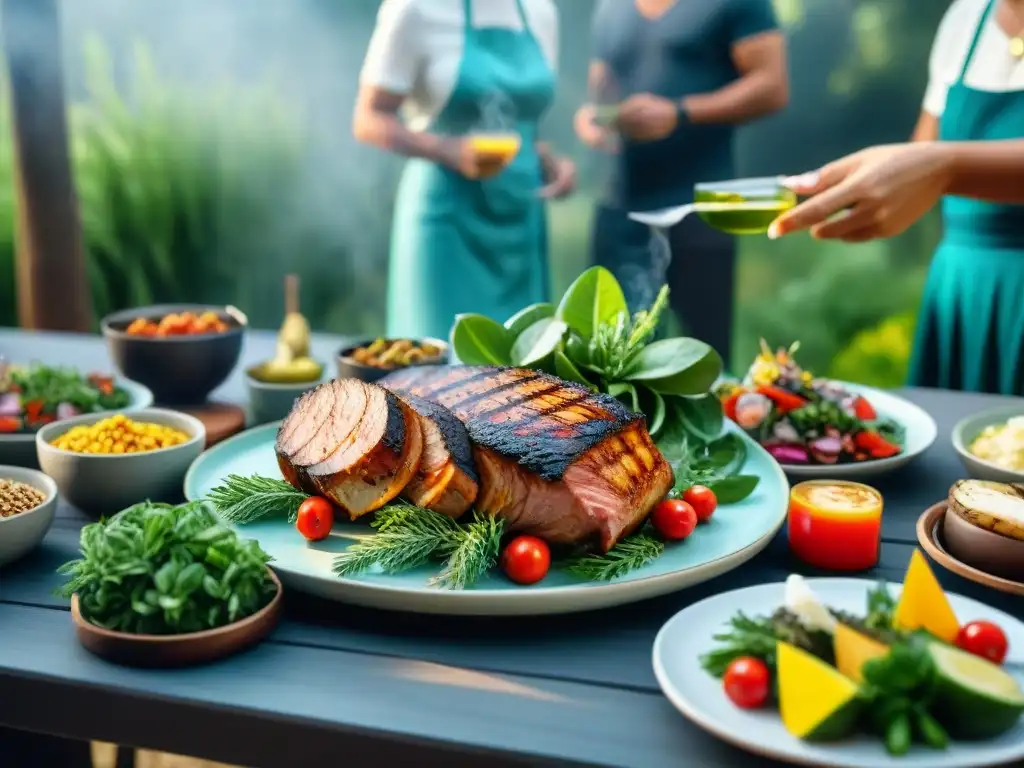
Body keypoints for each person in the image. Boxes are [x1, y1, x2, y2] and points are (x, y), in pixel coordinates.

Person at [776, 0, 1024, 395]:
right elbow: (925, 146)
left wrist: (946, 168)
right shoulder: (967, 16)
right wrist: (859, 186)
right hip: (960, 285)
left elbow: (937, 162)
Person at [574, 0, 788, 364]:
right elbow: (599, 90)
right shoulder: (611, 7)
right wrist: (590, 119)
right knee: (607, 357)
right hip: (619, 207)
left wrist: (680, 113)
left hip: (700, 207)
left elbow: (772, 86)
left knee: (702, 358)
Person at [354, 0, 576, 340]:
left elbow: (522, 119)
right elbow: (368, 119)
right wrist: (447, 150)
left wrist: (549, 161)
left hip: (521, 223)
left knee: (525, 377)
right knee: (437, 378)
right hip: (446, 221)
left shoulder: (539, 11)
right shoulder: (415, 9)